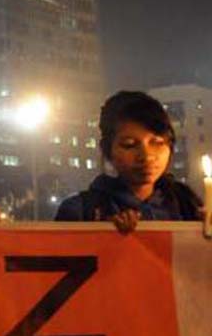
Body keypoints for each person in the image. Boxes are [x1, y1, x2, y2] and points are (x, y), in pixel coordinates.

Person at [54, 91, 201, 233]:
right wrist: (104, 234)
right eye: (129, 144)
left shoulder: (186, 204)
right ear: (108, 150)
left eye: (157, 143)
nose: (146, 156)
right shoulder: (82, 211)